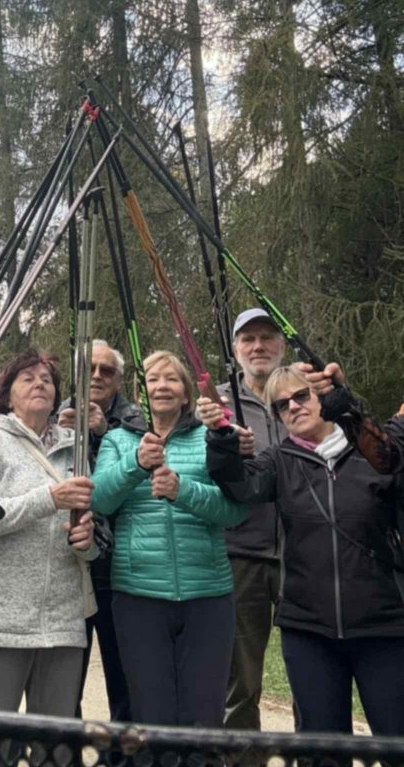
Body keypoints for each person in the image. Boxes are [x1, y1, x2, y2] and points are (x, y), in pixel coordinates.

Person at [205, 365, 404, 735]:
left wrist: (353, 409)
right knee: (321, 749)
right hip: (308, 629)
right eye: (282, 405)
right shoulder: (278, 461)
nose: (293, 407)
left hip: (384, 624)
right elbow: (238, 485)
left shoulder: (371, 453)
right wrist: (221, 439)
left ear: (323, 398)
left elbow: (396, 458)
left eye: (301, 396)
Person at [91, 350, 246, 727]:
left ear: (186, 392)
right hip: (138, 596)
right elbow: (100, 500)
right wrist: (136, 464)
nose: (162, 386)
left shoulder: (211, 438)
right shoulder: (117, 440)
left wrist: (183, 490)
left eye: (172, 379)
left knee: (204, 716)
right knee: (151, 715)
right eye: (153, 379)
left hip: (207, 595)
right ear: (140, 392)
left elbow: (234, 511)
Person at [0, 350, 97, 719]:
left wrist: (87, 541)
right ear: (8, 395)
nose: (39, 384)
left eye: (47, 380)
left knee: (55, 742)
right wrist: (49, 499)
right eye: (28, 378)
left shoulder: (76, 447)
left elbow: (91, 529)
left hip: (63, 624)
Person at [210, 308, 287, 730]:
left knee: (313, 676)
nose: (258, 346)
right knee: (240, 683)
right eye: (248, 339)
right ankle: (242, 757)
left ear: (282, 345)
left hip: (303, 554)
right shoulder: (217, 404)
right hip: (239, 554)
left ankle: (318, 756)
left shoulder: (303, 395)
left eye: (267, 337)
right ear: (236, 349)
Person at [58, 340, 139, 724]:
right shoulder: (54, 414)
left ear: (118, 379)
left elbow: (134, 480)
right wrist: (61, 435)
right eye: (89, 368)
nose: (97, 376)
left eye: (106, 370)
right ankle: (66, 749)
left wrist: (106, 434)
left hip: (117, 563)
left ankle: (121, 751)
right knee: (64, 680)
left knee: (123, 675)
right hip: (65, 562)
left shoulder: (136, 419)